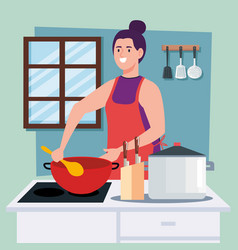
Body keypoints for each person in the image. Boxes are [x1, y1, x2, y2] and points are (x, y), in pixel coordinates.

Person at [51, 20, 165, 179]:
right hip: (114, 161)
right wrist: (61, 148)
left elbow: (158, 130)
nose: (122, 54)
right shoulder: (111, 86)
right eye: (118, 49)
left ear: (139, 53)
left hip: (143, 164)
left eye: (128, 49)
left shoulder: (149, 88)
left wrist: (120, 150)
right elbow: (78, 108)